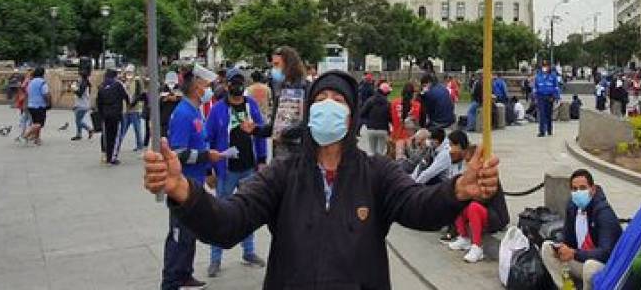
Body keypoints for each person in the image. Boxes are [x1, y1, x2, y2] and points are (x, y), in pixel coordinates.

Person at [142, 70, 500, 289]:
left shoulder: (376, 172)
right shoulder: (282, 175)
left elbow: (419, 207)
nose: (328, 104)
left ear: (351, 115)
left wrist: (456, 190)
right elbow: (228, 222)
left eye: (338, 100)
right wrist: (183, 190)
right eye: (321, 99)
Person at [160, 64, 223, 290]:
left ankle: (185, 274)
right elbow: (177, 152)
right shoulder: (183, 113)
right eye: (207, 85)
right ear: (197, 88)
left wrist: (207, 170)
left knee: (190, 233)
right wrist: (207, 155)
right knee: (179, 235)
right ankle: (171, 281)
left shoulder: (195, 111)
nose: (210, 90)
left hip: (194, 184)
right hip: (181, 185)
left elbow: (200, 142)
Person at [205, 68, 270, 278]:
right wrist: (209, 170)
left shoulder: (251, 105)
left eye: (240, 82)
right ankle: (215, 259)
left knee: (249, 212)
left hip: (249, 167)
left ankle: (249, 252)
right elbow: (208, 139)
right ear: (227, 85)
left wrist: (262, 160)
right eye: (234, 82)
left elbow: (260, 133)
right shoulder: (217, 110)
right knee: (219, 213)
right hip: (226, 171)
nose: (237, 86)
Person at [541, 169, 623, 290]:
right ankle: (567, 288)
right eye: (574, 189)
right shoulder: (572, 207)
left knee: (590, 267)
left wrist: (575, 253)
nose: (578, 192)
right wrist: (561, 248)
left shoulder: (604, 213)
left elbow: (606, 253)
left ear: (593, 189)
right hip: (580, 259)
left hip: (604, 267)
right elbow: (568, 239)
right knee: (547, 248)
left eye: (583, 188)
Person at [445, 135, 510, 264]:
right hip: (483, 213)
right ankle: (463, 237)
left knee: (473, 207)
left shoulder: (487, 176)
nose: (468, 164)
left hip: (495, 216)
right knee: (457, 201)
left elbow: (483, 199)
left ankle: (477, 246)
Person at [269, 46, 309, 161]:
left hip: (299, 153)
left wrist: (287, 133)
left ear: (289, 65)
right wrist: (255, 129)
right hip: (279, 153)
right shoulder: (280, 89)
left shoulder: (306, 88)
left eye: (276, 65)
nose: (273, 69)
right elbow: (274, 124)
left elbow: (308, 123)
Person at [96, 69, 131, 165]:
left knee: (107, 136)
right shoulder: (118, 85)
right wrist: (129, 105)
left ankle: (107, 156)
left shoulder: (101, 86)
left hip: (105, 115)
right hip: (116, 115)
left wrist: (100, 114)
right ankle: (113, 157)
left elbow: (98, 102)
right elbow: (125, 96)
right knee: (116, 136)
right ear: (114, 76)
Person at [390, 83, 421, 159]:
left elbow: (390, 119)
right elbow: (419, 123)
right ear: (413, 94)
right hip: (410, 139)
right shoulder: (417, 105)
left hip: (396, 136)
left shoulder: (394, 103)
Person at [361, 81, 392, 157]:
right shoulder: (387, 103)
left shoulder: (370, 100)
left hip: (371, 128)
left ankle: (371, 167)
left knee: (371, 151)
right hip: (383, 129)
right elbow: (390, 117)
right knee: (380, 152)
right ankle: (379, 167)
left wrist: (368, 120)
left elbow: (362, 113)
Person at [119, 65, 145, 152]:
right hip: (126, 109)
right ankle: (117, 144)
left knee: (137, 128)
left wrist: (132, 104)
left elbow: (139, 94)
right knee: (123, 128)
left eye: (130, 72)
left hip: (134, 109)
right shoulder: (124, 82)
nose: (128, 74)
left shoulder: (137, 81)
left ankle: (140, 145)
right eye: (127, 72)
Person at [22, 66, 51, 145]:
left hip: (31, 106)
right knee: (39, 124)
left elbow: (27, 94)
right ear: (43, 74)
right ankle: (26, 134)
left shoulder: (31, 82)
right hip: (40, 106)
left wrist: (25, 105)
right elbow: (46, 94)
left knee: (36, 122)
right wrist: (49, 103)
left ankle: (37, 139)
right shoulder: (42, 82)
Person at [534, 61, 560, 137]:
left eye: (546, 66)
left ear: (549, 67)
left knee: (548, 114)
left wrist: (556, 97)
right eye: (543, 66)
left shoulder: (553, 76)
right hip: (540, 97)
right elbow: (535, 87)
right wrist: (534, 97)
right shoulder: (538, 76)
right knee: (542, 114)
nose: (545, 67)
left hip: (550, 97)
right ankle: (542, 131)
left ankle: (549, 130)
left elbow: (556, 87)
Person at [159, 71, 182, 140]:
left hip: (176, 115)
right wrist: (165, 99)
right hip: (165, 116)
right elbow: (158, 103)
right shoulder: (162, 89)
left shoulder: (179, 89)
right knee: (164, 137)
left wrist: (176, 99)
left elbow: (183, 100)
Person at [71, 70, 94, 141]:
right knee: (78, 120)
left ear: (81, 77)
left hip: (82, 105)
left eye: (79, 76)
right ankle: (79, 134)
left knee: (78, 121)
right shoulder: (85, 83)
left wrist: (73, 89)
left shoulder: (83, 84)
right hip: (81, 104)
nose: (78, 78)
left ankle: (89, 129)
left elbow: (80, 94)